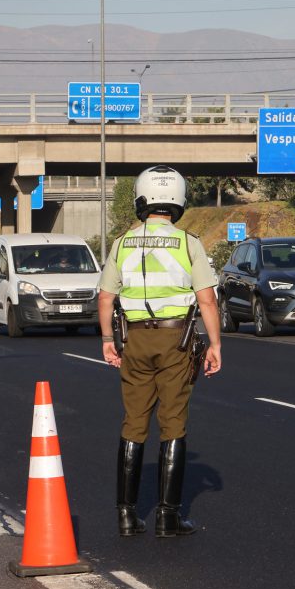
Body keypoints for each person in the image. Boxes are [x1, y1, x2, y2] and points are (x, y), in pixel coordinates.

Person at [97, 165, 222, 538]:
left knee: (133, 423)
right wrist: (215, 344)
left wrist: (107, 339)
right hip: (176, 342)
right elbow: (208, 299)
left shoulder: (123, 242)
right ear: (178, 200)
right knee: (173, 424)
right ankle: (168, 516)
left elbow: (106, 297)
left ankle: (126, 514)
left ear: (141, 198)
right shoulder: (188, 243)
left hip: (134, 340)